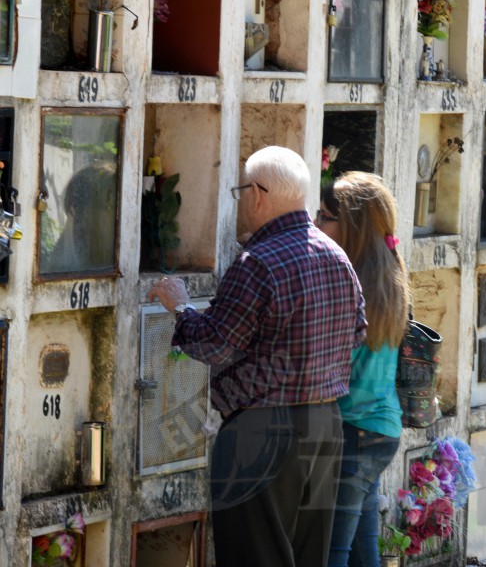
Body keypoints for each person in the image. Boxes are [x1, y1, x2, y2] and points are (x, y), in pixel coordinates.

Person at [148, 146, 366, 567]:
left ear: (258, 194)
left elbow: (214, 343)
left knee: (256, 557)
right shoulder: (337, 256)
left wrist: (180, 307)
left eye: (241, 191)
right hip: (326, 427)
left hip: (262, 433)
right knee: (307, 558)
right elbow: (357, 332)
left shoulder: (258, 262)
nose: (242, 201)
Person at [316, 171, 408, 567]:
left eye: (324, 217)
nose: (315, 224)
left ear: (350, 226)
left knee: (332, 553)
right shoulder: (390, 276)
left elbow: (333, 366)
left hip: (353, 433)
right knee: (361, 549)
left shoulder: (348, 283)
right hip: (383, 431)